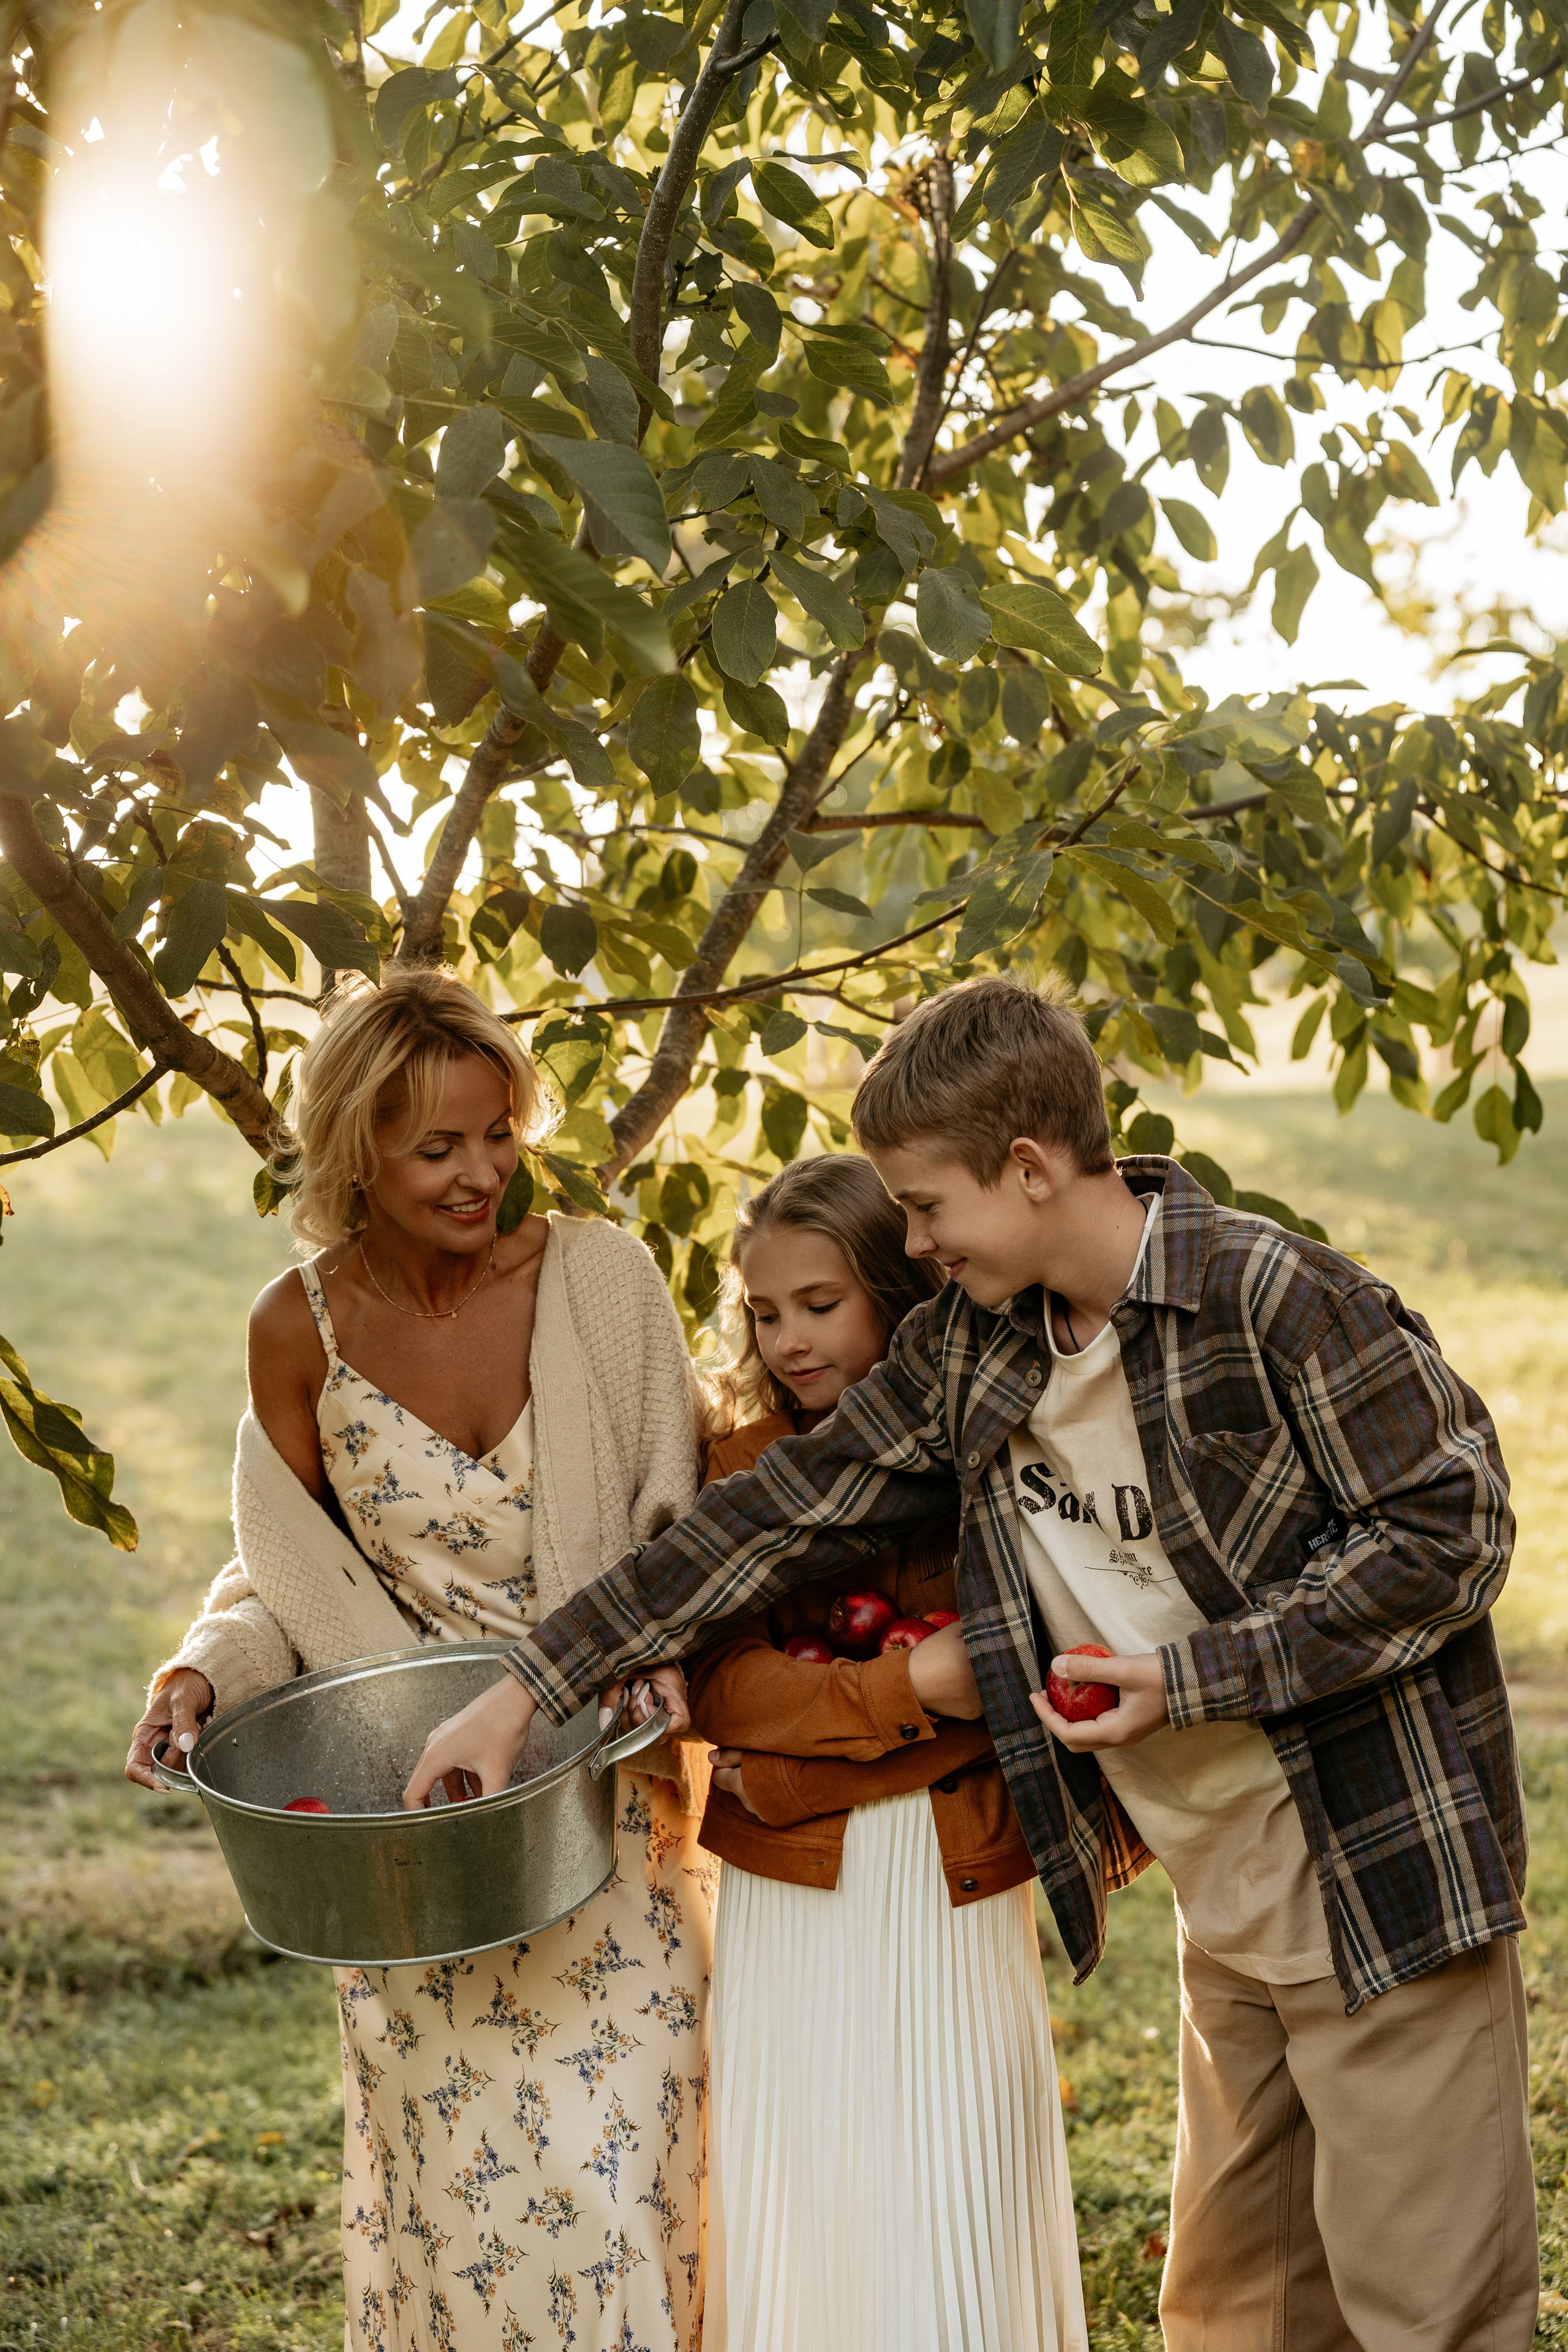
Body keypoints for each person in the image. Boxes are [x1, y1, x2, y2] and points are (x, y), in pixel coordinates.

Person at [409, 970, 1539, 2352]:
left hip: (1372, 1869)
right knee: (1241, 2312)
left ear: (1027, 1165)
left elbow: (1451, 1526)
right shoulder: (977, 1351)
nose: (918, 1241)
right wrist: (529, 1683)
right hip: (1223, 1895)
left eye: (929, 1206)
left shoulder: (1272, 1300)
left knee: (1424, 2311)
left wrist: (1191, 1679)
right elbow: (771, 1518)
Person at [126, 969, 712, 2352]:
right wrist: (204, 1671)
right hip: (414, 1840)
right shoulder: (297, 1330)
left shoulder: (601, 1281)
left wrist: (589, 1688)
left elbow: (675, 1534)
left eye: (498, 1133)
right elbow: (287, 1575)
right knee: (463, 2207)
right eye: (435, 1147)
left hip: (600, 1812)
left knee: (619, 2187)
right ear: (355, 1153)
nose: (480, 1174)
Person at [688, 1156, 1086, 2352]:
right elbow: (724, 1685)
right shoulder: (741, 1463)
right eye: (764, 1313)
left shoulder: (980, 1454)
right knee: (810, 2180)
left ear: (896, 1293)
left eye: (820, 1304)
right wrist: (908, 1683)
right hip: (785, 1890)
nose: (788, 1340)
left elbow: (1011, 1681)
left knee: (949, 2170)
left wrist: (794, 1755)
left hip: (950, 1870)